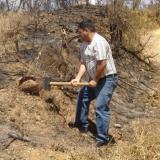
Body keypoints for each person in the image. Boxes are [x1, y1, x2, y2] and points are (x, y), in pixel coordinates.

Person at [69, 19, 118, 147]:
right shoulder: (84, 45)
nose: (79, 34)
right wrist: (78, 78)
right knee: (83, 96)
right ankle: (81, 124)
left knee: (101, 106)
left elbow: (102, 63)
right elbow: (83, 63)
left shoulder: (99, 42)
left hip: (107, 79)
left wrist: (95, 80)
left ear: (86, 30)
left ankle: (102, 139)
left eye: (80, 32)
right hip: (94, 79)